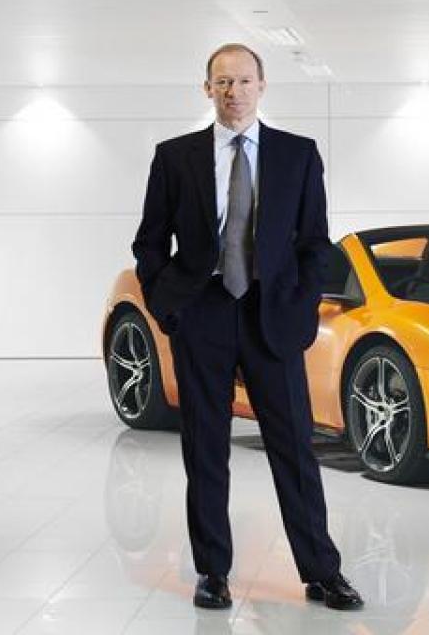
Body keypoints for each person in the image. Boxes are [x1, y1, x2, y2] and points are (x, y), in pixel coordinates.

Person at [130, 43, 362, 611]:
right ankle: (213, 572)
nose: (232, 91)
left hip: (271, 315)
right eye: (222, 82)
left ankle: (322, 573)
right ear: (206, 89)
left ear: (262, 85)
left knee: (294, 450)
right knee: (206, 449)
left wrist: (302, 308)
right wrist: (168, 306)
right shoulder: (175, 156)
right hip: (202, 312)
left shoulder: (297, 154)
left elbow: (315, 243)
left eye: (242, 81)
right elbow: (150, 241)